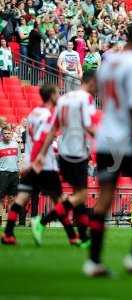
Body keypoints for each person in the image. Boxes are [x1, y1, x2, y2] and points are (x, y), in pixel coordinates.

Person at [83, 22, 132, 277]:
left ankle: (93, 262)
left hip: (105, 138)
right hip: (126, 142)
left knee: (105, 198)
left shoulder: (108, 63)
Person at [1, 85, 78, 245]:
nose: (59, 95)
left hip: (31, 163)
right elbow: (42, 139)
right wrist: (39, 159)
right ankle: (63, 232)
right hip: (44, 165)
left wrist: (29, 162)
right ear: (51, 96)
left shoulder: (33, 114)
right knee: (61, 201)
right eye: (57, 93)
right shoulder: (47, 116)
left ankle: (8, 233)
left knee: (21, 198)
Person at [32, 70, 98, 248]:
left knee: (79, 195)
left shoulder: (64, 98)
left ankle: (83, 237)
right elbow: (89, 125)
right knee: (82, 194)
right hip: (77, 153)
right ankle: (43, 221)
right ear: (91, 82)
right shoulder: (87, 99)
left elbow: (53, 129)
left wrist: (42, 154)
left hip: (63, 152)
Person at [0, 125, 20, 208]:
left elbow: (19, 160)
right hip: (3, 173)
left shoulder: (16, 144)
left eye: (9, 133)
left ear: (12, 134)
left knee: (12, 197)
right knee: (1, 196)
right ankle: (1, 216)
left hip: (15, 173)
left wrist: (19, 170)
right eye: (5, 133)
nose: (7, 135)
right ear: (2, 135)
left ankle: (10, 218)